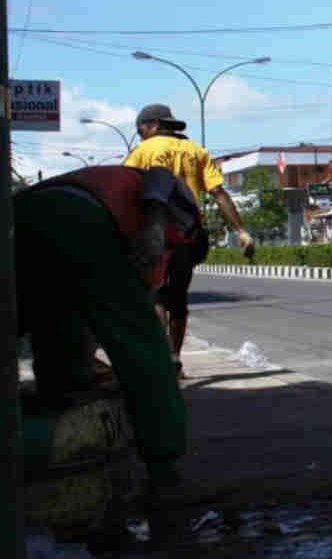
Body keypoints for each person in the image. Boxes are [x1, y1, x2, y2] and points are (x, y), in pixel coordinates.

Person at [16, 165, 212, 505]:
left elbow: (84, 315)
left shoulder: (111, 197)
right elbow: (161, 175)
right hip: (78, 217)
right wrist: (153, 226)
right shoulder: (186, 221)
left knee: (53, 321)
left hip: (20, 216)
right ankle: (165, 474)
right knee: (145, 350)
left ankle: (64, 404)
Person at [124, 103, 254, 374]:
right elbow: (219, 194)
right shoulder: (197, 151)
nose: (140, 136)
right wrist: (241, 231)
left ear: (154, 125)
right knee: (178, 296)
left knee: (157, 295)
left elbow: (127, 189)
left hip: (157, 233)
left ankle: (161, 360)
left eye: (141, 130)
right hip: (189, 235)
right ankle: (174, 358)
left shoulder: (144, 151)